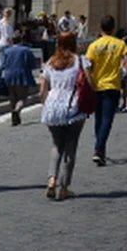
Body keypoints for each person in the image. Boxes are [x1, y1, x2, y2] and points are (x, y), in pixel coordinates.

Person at [39, 32, 89, 200]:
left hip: (53, 106)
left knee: (56, 145)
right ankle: (64, 187)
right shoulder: (80, 61)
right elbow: (91, 83)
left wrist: (47, 107)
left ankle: (51, 179)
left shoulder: (50, 63)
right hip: (73, 106)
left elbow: (42, 90)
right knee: (70, 147)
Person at [84, 15, 127, 166]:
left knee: (99, 119)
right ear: (113, 27)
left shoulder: (94, 45)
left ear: (101, 27)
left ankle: (101, 151)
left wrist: (90, 83)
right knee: (107, 120)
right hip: (112, 85)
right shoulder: (120, 44)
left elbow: (87, 67)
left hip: (97, 86)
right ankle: (98, 149)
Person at [0, 30, 38, 126]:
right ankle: (17, 110)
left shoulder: (7, 51)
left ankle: (14, 116)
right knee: (22, 97)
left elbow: (2, 65)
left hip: (9, 75)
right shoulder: (26, 50)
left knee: (12, 97)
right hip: (22, 75)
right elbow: (33, 64)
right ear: (21, 40)